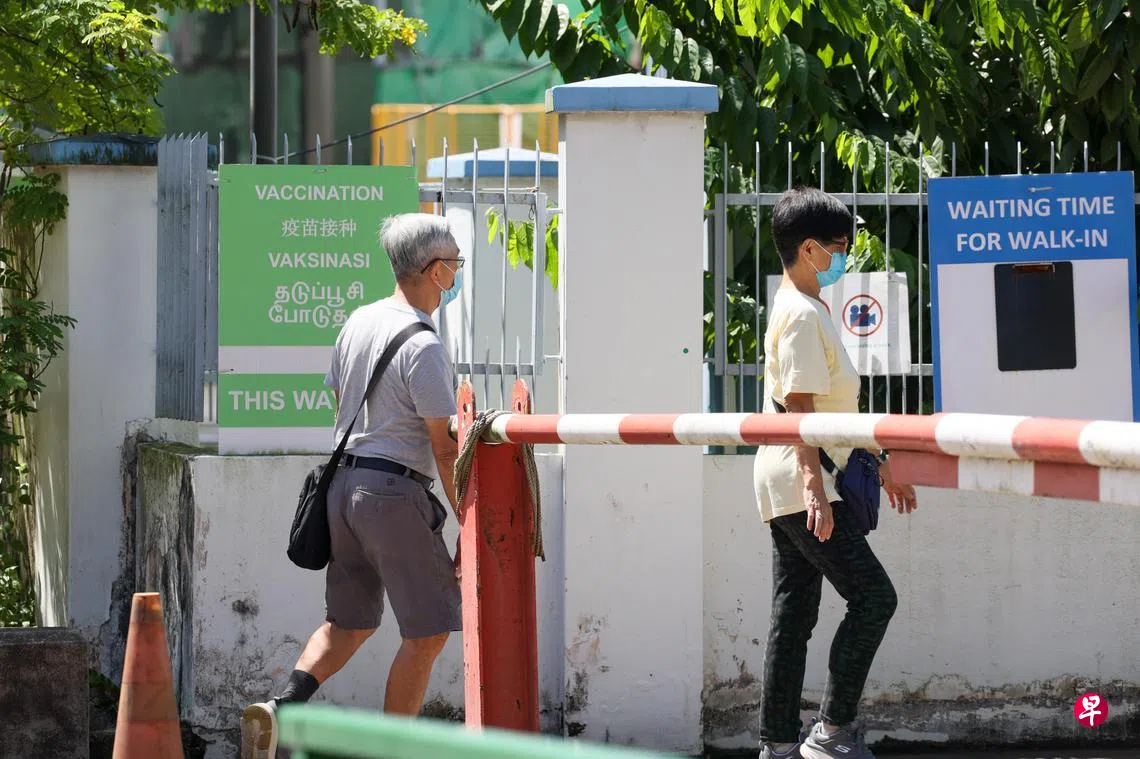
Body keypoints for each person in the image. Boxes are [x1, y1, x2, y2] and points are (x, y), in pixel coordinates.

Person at [240, 213, 465, 759]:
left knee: (348, 624)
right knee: (428, 632)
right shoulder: (423, 345)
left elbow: (340, 404)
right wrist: (467, 513)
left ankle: (280, 708)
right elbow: (443, 445)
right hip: (393, 494)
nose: (457, 273)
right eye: (454, 264)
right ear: (434, 270)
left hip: (342, 489)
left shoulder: (359, 322)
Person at [754, 188, 918, 759]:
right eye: (839, 246)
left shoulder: (807, 307)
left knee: (794, 615)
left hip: (791, 478)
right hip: (805, 479)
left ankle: (778, 744)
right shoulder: (801, 315)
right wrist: (814, 490)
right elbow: (800, 409)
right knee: (874, 598)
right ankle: (831, 732)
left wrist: (879, 463)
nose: (844, 255)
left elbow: (833, 412)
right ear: (809, 249)